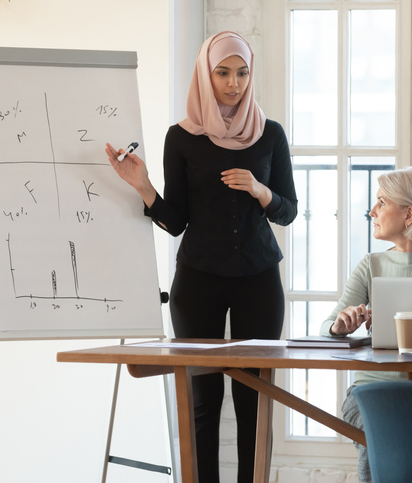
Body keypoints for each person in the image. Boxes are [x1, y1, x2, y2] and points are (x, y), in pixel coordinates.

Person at [105, 32, 297, 483]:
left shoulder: (270, 134)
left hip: (258, 280)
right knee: (202, 399)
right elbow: (175, 222)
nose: (234, 84)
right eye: (223, 72)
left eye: (243, 73)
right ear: (205, 74)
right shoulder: (182, 138)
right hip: (198, 282)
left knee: (255, 399)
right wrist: (142, 185)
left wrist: (259, 188)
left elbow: (287, 211)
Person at [319, 166, 412, 483]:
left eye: (381, 202)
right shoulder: (371, 264)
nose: (372, 211)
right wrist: (341, 325)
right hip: (370, 393)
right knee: (382, 429)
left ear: (409, 215)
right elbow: (328, 325)